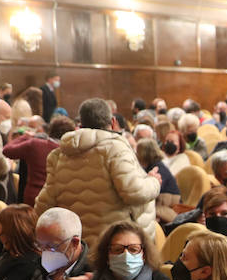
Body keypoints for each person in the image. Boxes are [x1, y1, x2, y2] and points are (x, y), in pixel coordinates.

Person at [35, 98, 160, 244]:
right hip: (115, 244)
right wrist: (153, 181)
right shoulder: (116, 149)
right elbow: (134, 192)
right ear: (113, 122)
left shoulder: (58, 156)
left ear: (80, 125)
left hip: (76, 245)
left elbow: (43, 205)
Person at [21, 207, 91, 280]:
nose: (45, 253)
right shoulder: (38, 264)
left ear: (74, 243)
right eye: (40, 246)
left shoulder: (89, 276)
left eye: (52, 247)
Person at [89, 220, 169, 280]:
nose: (126, 255)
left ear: (144, 254)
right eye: (118, 249)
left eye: (133, 249)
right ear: (106, 255)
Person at [3, 114, 68, 208]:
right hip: (57, 198)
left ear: (43, 128)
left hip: (33, 197)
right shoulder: (70, 151)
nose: (28, 129)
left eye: (32, 127)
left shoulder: (35, 144)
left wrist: (25, 137)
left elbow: (7, 150)